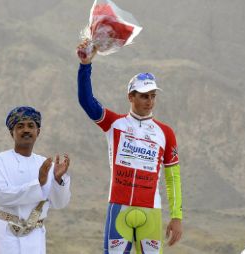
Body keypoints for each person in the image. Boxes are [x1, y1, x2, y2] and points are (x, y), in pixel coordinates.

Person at [76, 42, 183, 254]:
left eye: (153, 96)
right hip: (119, 209)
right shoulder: (115, 124)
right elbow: (87, 101)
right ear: (130, 97)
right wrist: (85, 65)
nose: (149, 101)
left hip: (151, 211)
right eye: (144, 96)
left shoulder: (165, 133)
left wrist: (176, 217)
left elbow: (173, 178)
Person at [0, 106, 71, 254]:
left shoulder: (46, 164)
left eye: (31, 126)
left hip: (35, 239)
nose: (26, 130)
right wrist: (39, 184)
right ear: (12, 132)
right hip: (5, 236)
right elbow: (0, 196)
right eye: (20, 126)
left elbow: (59, 203)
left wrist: (57, 180)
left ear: (38, 132)